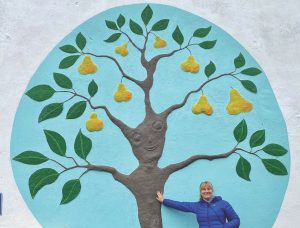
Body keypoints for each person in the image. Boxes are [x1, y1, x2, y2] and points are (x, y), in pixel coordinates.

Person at [156, 181, 240, 228]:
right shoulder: (197, 206)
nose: (206, 191)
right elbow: (180, 205)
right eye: (203, 189)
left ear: (212, 190)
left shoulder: (223, 204)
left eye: (209, 189)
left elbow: (236, 220)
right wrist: (164, 200)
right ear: (201, 192)